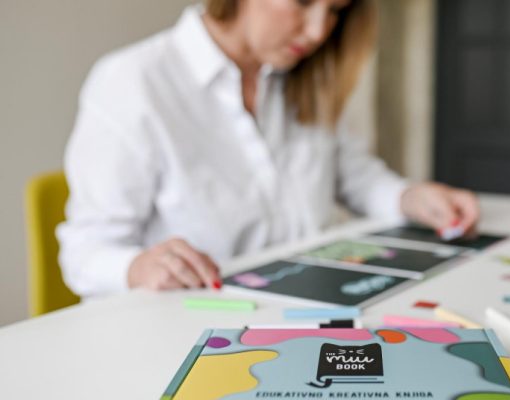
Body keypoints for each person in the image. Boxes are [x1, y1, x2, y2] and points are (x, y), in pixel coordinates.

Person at [57, 0, 480, 297]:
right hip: (192, 325)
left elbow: (353, 175)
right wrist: (138, 267)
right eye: (303, 2)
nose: (318, 31)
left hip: (308, 302)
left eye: (335, 10)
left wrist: (410, 197)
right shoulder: (134, 82)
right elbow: (84, 253)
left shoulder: (306, 76)